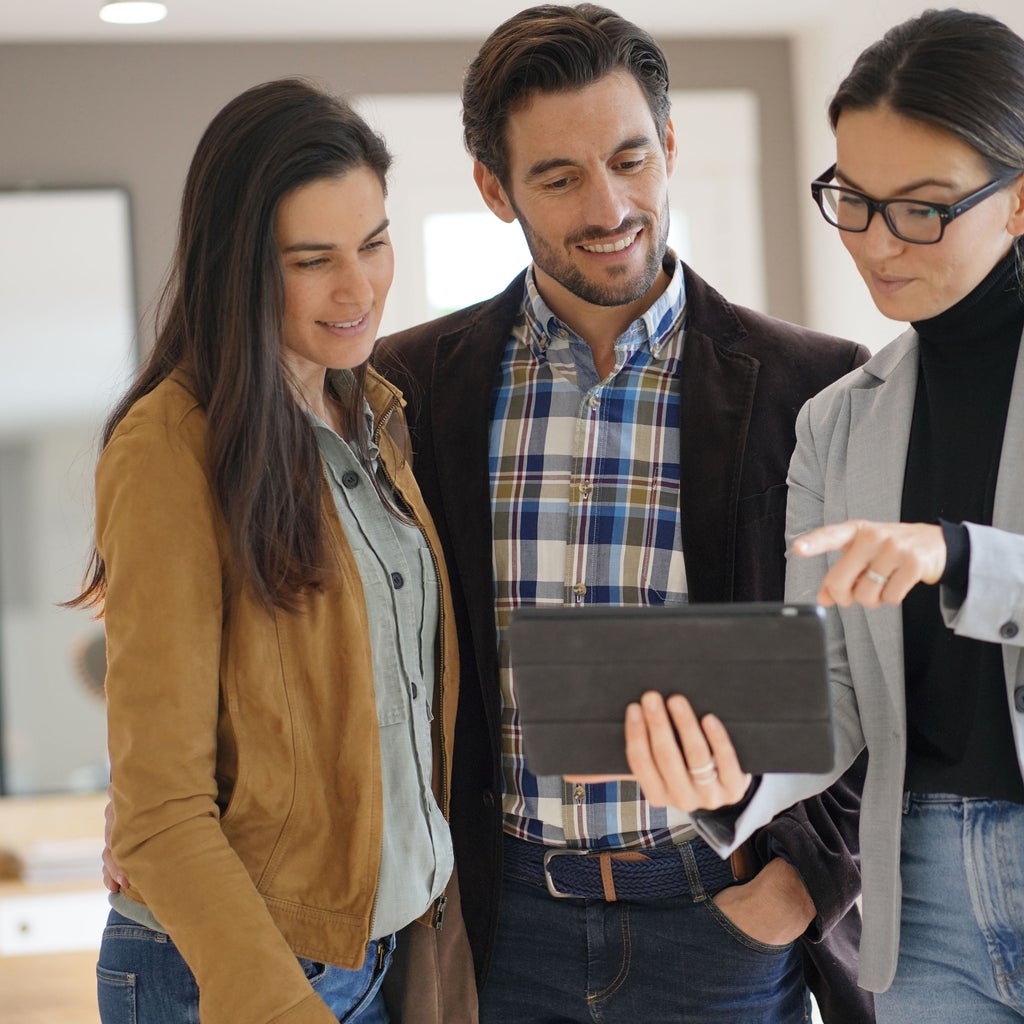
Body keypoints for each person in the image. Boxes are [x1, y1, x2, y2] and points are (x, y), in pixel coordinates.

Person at [371, 5, 874, 1022]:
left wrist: (806, 883)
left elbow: (891, 668)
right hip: (497, 926)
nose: (609, 206)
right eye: (558, 178)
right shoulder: (407, 389)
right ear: (492, 188)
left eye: (631, 158)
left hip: (721, 920)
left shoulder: (814, 387)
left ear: (671, 146)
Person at [622, 8, 1024, 1023]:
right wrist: (726, 775)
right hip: (920, 897)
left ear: (1018, 201)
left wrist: (956, 556)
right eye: (852, 198)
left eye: (921, 209)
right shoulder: (837, 422)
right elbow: (831, 694)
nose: (875, 243)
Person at [77, 78, 472, 1024]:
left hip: (380, 955)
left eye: (374, 242)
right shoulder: (172, 446)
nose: (359, 286)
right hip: (233, 972)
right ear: (242, 267)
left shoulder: (375, 411)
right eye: (312, 259)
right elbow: (159, 807)